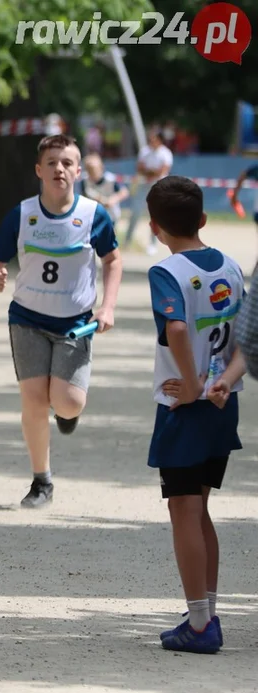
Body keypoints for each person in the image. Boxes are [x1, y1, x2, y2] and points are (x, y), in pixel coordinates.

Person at [0, 134, 122, 509]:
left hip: (74, 323)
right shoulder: (22, 215)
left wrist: (107, 307)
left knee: (69, 403)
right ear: (39, 170)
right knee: (34, 401)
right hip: (26, 319)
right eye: (52, 162)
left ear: (78, 170)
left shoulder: (93, 215)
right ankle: (42, 481)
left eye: (68, 162)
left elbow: (113, 261)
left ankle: (68, 413)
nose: (60, 168)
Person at [144, 176, 246, 653]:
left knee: (182, 508)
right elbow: (246, 329)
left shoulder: (167, 272)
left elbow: (179, 328)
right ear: (203, 220)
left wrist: (189, 384)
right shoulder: (231, 266)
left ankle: (201, 625)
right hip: (226, 402)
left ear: (155, 227)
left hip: (188, 406)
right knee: (200, 506)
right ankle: (206, 610)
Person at [124, 130, 173, 254]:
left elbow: (162, 171)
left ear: (160, 140)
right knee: (135, 213)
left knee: (155, 216)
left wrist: (149, 171)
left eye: (154, 139)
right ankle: (127, 240)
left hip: (158, 187)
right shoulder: (145, 151)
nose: (151, 141)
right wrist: (151, 171)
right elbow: (140, 167)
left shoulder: (166, 153)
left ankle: (152, 244)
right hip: (143, 186)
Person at [76, 153, 129, 226]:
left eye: (94, 170)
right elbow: (84, 196)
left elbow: (124, 192)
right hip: (93, 215)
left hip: (110, 215)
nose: (92, 173)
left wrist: (112, 200)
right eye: (89, 170)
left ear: (101, 168)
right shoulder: (84, 181)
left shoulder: (111, 179)